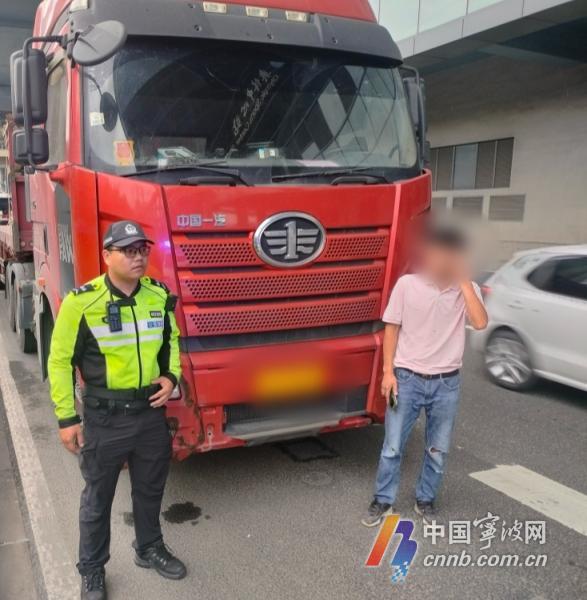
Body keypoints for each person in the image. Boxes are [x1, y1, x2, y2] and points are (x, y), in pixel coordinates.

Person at [48, 220, 186, 600]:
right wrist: (67, 418)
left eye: (142, 249)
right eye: (128, 250)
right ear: (107, 256)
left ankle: (149, 548)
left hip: (149, 414)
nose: (138, 257)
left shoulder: (158, 295)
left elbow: (171, 341)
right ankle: (92, 570)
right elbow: (59, 362)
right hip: (105, 419)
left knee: (150, 489)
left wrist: (171, 376)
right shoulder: (82, 302)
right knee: (98, 499)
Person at [361, 225, 488, 527]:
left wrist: (463, 280)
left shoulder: (467, 290)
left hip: (447, 383)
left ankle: (425, 499)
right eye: (434, 253)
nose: (438, 260)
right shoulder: (408, 285)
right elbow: (392, 328)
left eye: (447, 254)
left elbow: (480, 323)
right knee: (393, 446)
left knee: (438, 449)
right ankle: (383, 499)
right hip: (407, 379)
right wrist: (388, 372)